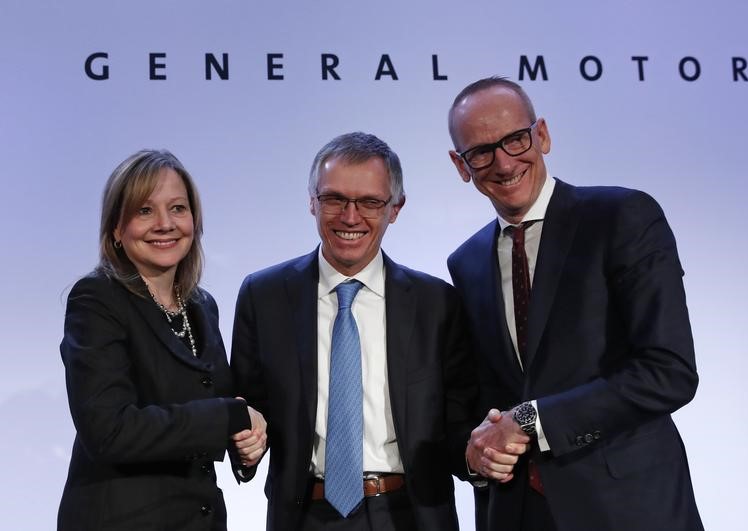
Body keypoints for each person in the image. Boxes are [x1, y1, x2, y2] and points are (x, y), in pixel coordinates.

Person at [446, 77, 704, 531]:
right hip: (518, 513)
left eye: (515, 139)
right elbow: (484, 397)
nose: (504, 163)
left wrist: (529, 420)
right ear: (461, 165)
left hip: (629, 508)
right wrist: (476, 451)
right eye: (481, 152)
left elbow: (669, 371)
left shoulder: (621, 218)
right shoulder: (465, 262)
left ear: (541, 134)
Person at [230, 132, 478, 530]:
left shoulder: (437, 304)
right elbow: (248, 410)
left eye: (369, 202)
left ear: (395, 208)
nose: (350, 217)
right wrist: (244, 445)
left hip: (410, 515)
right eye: (334, 199)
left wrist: (479, 454)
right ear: (312, 201)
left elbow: (457, 425)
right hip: (304, 515)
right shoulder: (264, 296)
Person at [58, 149, 267, 531]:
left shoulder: (202, 306)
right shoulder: (97, 299)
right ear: (116, 229)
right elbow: (110, 431)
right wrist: (227, 417)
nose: (165, 224)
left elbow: (223, 405)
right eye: (144, 211)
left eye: (178, 208)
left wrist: (247, 441)